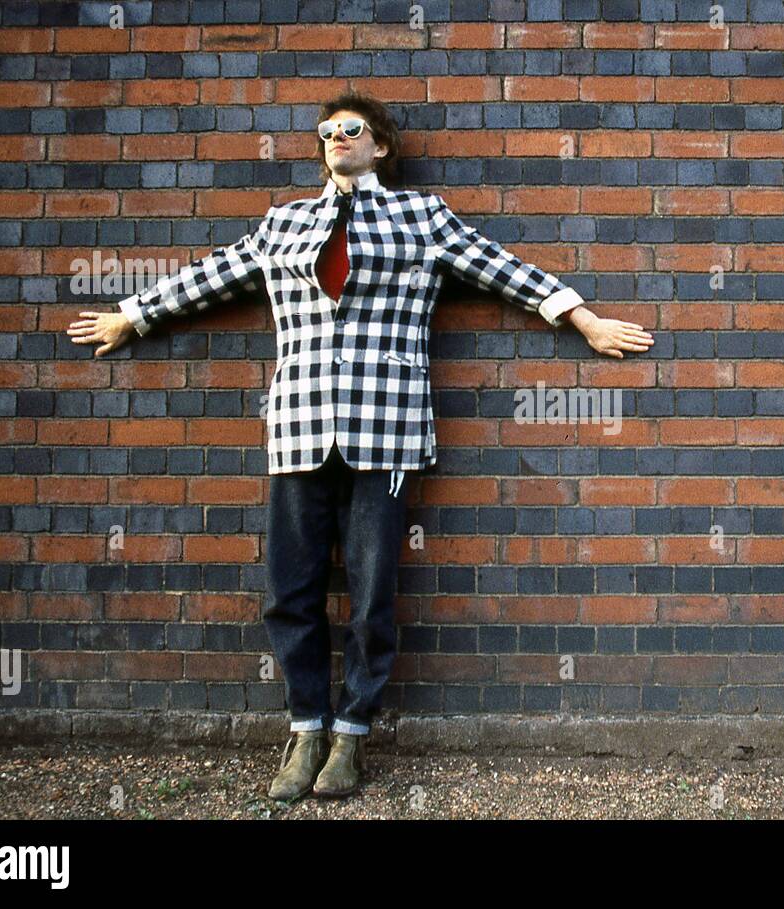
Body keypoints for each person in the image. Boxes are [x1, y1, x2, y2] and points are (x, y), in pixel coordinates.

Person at [67, 91, 654, 799]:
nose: (337, 138)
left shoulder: (422, 217)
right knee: (290, 587)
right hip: (301, 424)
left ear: (379, 146)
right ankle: (305, 725)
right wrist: (131, 315)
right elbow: (211, 274)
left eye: (352, 130)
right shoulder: (284, 223)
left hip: (388, 426)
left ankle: (350, 736)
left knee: (372, 592)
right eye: (327, 132)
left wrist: (581, 318)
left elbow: (501, 267)